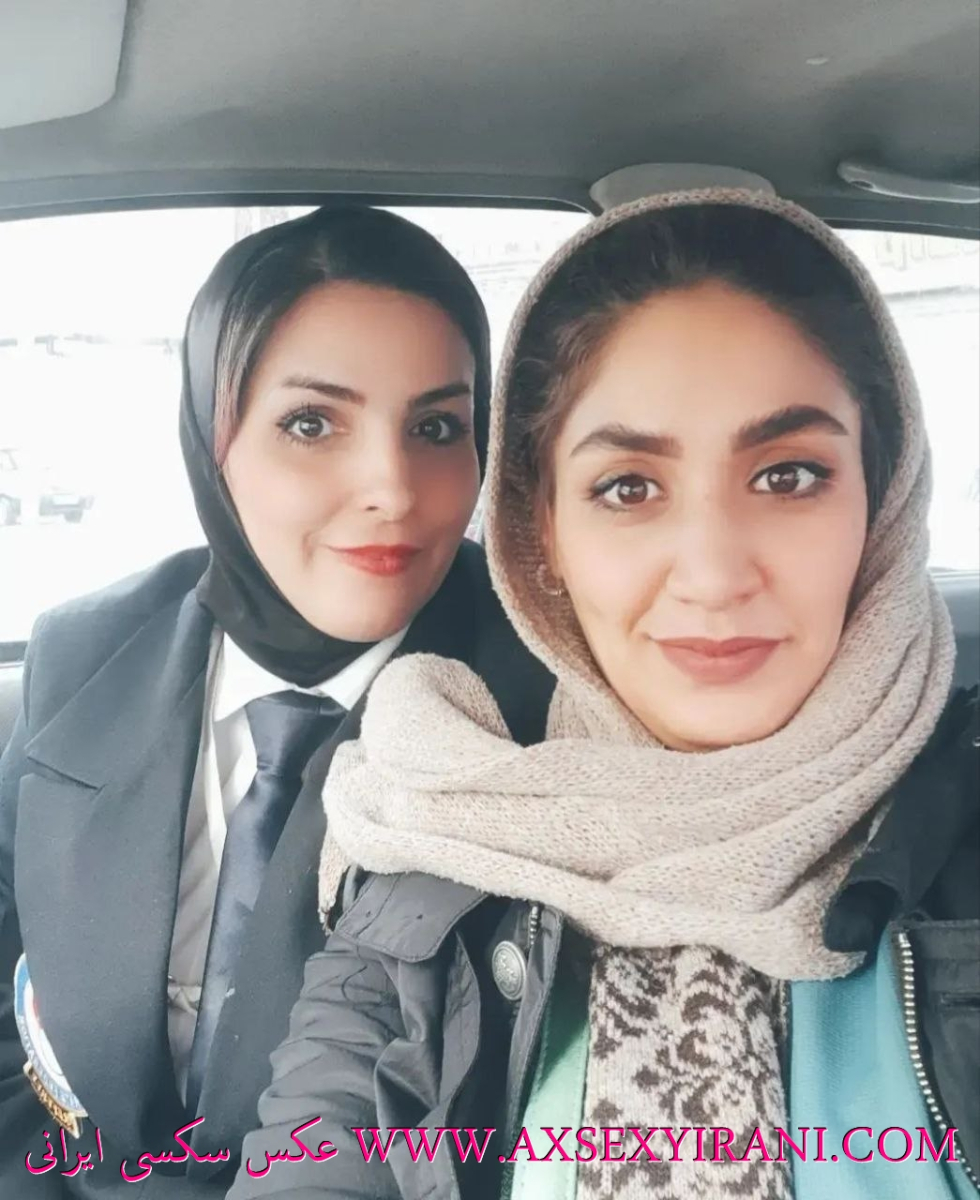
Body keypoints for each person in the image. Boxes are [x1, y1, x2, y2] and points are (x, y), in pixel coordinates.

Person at [230, 191, 979, 1200]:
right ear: (540, 534)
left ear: (879, 501)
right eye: (628, 487)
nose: (712, 575)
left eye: (788, 476)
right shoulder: (434, 839)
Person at [0, 206, 552, 1196]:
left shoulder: (546, 707)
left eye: (436, 427)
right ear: (213, 438)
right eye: (311, 424)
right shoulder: (84, 653)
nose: (392, 488)